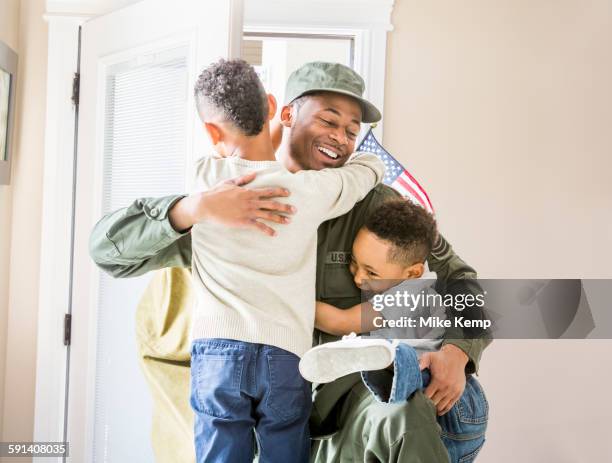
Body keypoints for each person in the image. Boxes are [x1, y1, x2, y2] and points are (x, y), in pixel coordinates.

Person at [90, 61, 491, 462]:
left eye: (352, 131)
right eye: (328, 121)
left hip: (347, 409)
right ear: (284, 114)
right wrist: (191, 208)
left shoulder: (378, 205)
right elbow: (108, 253)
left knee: (401, 417)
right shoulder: (221, 199)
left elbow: (459, 280)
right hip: (254, 401)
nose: (340, 138)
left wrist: (459, 352)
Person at [299, 199, 488, 462]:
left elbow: (342, 321)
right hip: (439, 407)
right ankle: (372, 358)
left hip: (446, 403)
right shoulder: (406, 281)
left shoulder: (407, 295)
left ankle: (370, 356)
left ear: (412, 273)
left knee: (403, 364)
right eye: (354, 263)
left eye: (371, 272)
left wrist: (288, 300)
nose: (357, 277)